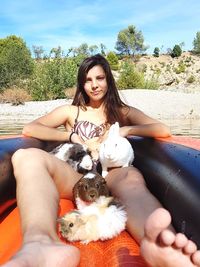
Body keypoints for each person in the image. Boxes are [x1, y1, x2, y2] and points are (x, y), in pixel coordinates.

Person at [2, 54, 200, 267]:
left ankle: (159, 244)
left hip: (113, 173)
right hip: (78, 177)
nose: (94, 85)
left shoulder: (123, 112)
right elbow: (30, 128)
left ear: (108, 80)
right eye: (88, 80)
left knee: (132, 179)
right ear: (81, 83)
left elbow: (162, 129)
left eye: (100, 78)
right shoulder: (71, 112)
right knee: (26, 156)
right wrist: (71, 136)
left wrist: (126, 129)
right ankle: (40, 243)